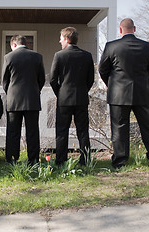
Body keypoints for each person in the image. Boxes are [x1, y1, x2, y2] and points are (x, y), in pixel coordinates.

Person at [99, 18, 149, 169]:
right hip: (141, 92)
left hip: (118, 94)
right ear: (134, 29)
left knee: (119, 127)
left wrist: (112, 84)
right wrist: (142, 81)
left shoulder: (111, 46)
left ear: (120, 30)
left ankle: (120, 160)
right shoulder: (147, 46)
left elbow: (103, 69)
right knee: (146, 125)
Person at [50, 27, 94, 166]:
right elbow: (90, 79)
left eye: (61, 39)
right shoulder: (87, 55)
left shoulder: (59, 55)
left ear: (67, 40)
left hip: (64, 100)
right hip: (81, 98)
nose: (59, 41)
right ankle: (85, 161)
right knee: (83, 131)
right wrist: (83, 90)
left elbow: (52, 79)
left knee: (62, 131)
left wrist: (60, 93)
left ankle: (61, 161)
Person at [2, 35, 45, 164]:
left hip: (14, 100)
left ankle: (12, 160)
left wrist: (10, 92)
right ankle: (33, 160)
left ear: (14, 44)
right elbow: (41, 79)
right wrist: (35, 90)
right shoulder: (37, 57)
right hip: (32, 99)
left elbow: (5, 80)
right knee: (32, 132)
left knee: (13, 132)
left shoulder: (9, 57)